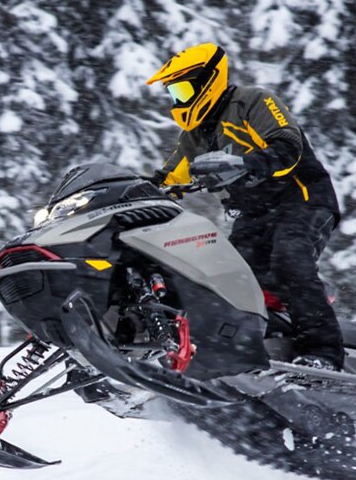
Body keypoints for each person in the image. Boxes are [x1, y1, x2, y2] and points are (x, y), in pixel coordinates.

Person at [146, 42, 345, 370]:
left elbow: (288, 143)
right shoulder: (195, 135)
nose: (177, 101)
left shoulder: (251, 101)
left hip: (302, 200)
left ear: (207, 81)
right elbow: (168, 176)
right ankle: (239, 348)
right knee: (222, 277)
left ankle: (324, 352)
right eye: (173, 94)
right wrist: (138, 190)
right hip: (255, 216)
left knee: (289, 259)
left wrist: (248, 164)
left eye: (181, 91)